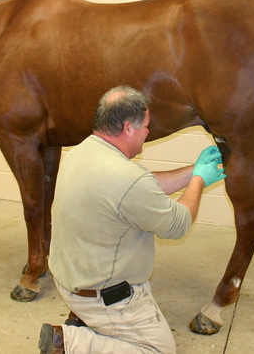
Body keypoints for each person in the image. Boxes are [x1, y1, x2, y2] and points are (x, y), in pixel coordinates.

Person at [40, 86, 227, 353]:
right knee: (159, 351)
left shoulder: (82, 152)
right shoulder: (127, 179)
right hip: (105, 297)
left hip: (71, 280)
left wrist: (192, 171)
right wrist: (199, 181)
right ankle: (69, 343)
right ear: (128, 128)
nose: (148, 132)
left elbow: (141, 187)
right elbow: (178, 223)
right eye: (146, 126)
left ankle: (85, 321)